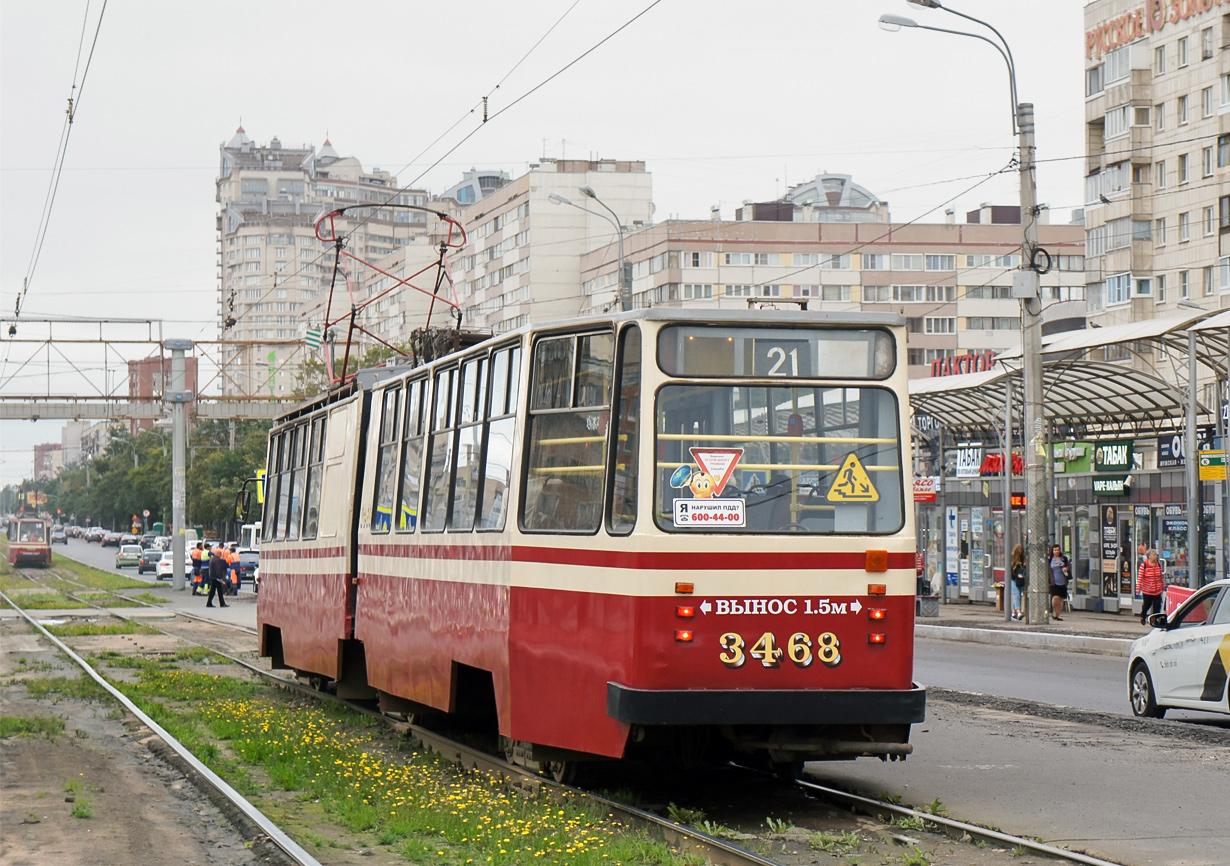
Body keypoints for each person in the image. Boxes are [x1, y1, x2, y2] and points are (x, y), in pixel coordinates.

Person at [1137, 548, 1165, 626]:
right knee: (1147, 605)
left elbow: (1160, 577)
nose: (1155, 556)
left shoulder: (1158, 565)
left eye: (1156, 554)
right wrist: (1138, 588)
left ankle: (1154, 621)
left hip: (1157, 591)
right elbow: (1140, 577)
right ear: (1149, 556)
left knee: (1157, 606)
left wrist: (1162, 585)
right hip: (1147, 591)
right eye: (1154, 555)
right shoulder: (1144, 565)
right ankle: (1143, 616)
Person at [1047, 543, 1071, 621]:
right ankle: (1055, 611)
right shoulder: (1050, 559)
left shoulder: (1063, 558)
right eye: (1055, 550)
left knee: (1061, 598)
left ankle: (1058, 614)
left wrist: (1066, 568)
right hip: (1054, 581)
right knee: (1055, 597)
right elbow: (1048, 569)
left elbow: (1068, 565)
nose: (1057, 551)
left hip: (1063, 580)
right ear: (1052, 551)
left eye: (1058, 550)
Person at [205, 543, 229, 608]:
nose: (221, 556)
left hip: (213, 577)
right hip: (216, 577)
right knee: (219, 590)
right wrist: (220, 578)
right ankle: (222, 603)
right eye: (220, 554)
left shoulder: (213, 559)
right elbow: (217, 569)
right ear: (218, 554)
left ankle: (209, 603)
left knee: (213, 591)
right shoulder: (216, 560)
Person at [1009, 543, 1026, 621]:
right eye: (1019, 551)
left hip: (1020, 580)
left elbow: (1023, 569)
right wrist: (1016, 576)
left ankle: (1013, 613)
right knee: (1016, 595)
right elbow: (1010, 572)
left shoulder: (1022, 559)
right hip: (1013, 579)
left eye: (1021, 551)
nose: (1020, 552)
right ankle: (1019, 612)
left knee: (1018, 596)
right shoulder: (1012, 559)